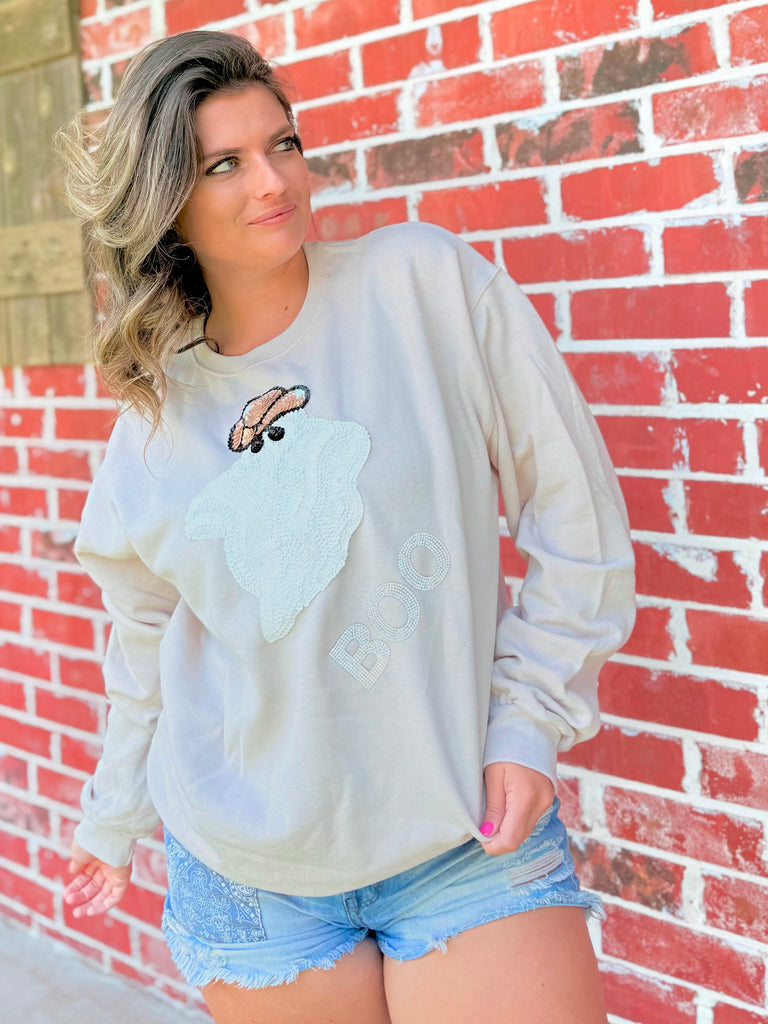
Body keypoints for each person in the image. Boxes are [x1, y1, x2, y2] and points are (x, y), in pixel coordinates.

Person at [56, 30, 635, 1024]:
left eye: (281, 143)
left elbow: (575, 512)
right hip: (251, 875)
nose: (272, 180)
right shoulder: (153, 420)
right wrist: (111, 822)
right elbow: (145, 643)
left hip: (463, 831)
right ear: (166, 203)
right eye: (223, 164)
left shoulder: (424, 285)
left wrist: (528, 722)